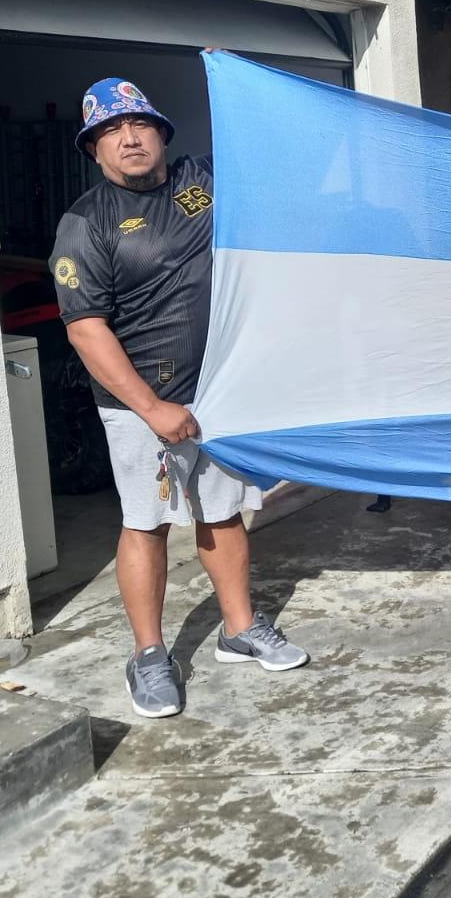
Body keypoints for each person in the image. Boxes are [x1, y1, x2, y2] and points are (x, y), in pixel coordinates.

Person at [49, 78, 308, 720]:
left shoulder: (203, 181)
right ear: (94, 149)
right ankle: (149, 655)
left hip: (215, 394)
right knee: (148, 523)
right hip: (142, 405)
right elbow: (86, 329)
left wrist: (242, 81)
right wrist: (151, 407)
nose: (129, 137)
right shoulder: (85, 225)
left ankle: (239, 629)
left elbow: (276, 160)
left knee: (222, 514)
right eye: (111, 130)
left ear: (163, 133)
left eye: (140, 124)